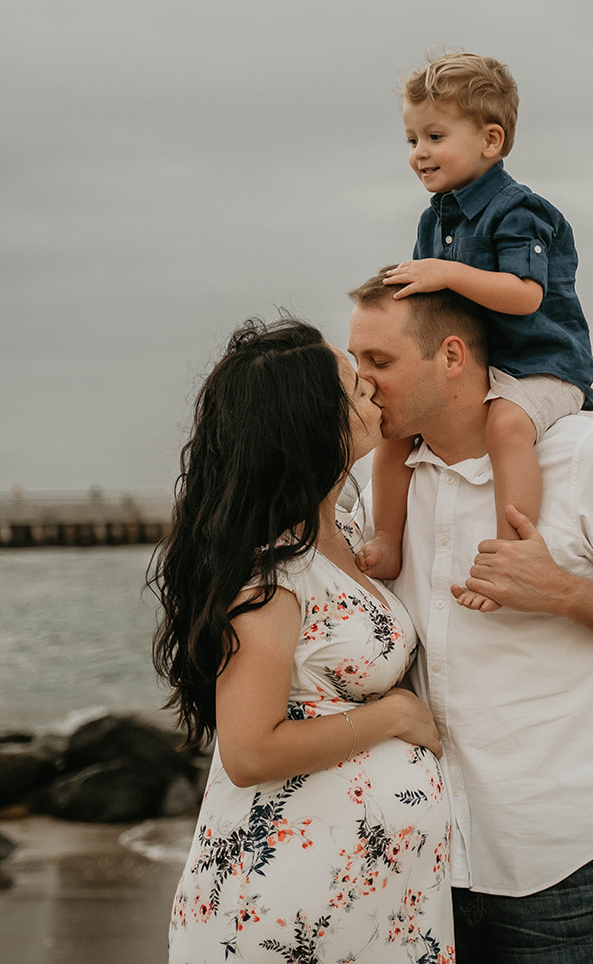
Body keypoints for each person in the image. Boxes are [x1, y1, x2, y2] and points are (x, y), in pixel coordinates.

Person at [347, 273, 593, 963]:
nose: (364, 384)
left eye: (380, 361)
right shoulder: (385, 484)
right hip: (420, 860)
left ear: (452, 357)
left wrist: (560, 591)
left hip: (557, 868)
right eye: (358, 362)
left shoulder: (584, 457)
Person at [151, 317, 456, 964]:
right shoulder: (271, 575)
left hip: (358, 908)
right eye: (352, 384)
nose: (370, 387)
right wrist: (394, 714)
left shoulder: (345, 531)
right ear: (313, 422)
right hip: (278, 915)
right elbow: (249, 749)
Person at [357, 51, 593, 582]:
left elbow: (525, 294)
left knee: (507, 425)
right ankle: (387, 540)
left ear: (490, 140)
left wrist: (445, 273)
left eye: (435, 137)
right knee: (396, 430)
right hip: (480, 364)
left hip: (542, 364)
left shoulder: (518, 209)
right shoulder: (432, 219)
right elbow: (427, 305)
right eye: (412, 140)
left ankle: (512, 554)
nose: (420, 153)